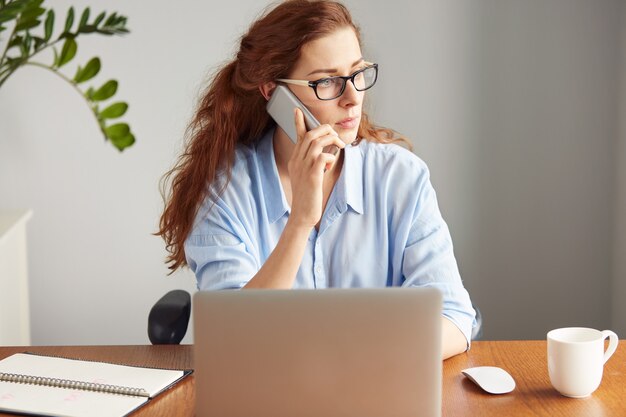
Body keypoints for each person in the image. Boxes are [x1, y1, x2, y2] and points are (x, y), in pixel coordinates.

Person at [158, 0, 475, 359]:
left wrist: (357, 357)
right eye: (327, 82)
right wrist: (300, 223)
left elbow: (454, 317)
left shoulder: (399, 178)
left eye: (357, 73)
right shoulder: (227, 191)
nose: (353, 98)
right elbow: (234, 342)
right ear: (272, 92)